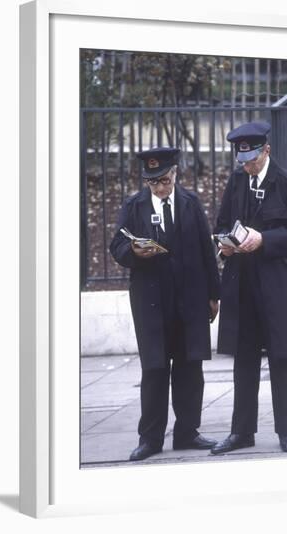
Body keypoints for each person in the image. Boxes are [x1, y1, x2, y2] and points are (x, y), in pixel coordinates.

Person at [110, 147, 220, 461]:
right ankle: (151, 438)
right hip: (152, 302)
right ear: (146, 182)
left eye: (165, 180)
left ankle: (188, 432)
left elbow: (205, 250)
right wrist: (134, 253)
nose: (160, 187)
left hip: (188, 300)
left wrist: (214, 295)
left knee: (189, 367)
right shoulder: (134, 206)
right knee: (155, 369)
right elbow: (117, 244)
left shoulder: (190, 203)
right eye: (153, 182)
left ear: (175, 174)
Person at [210, 121, 287, 455]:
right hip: (243, 283)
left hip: (277, 283)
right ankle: (242, 432)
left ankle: (286, 430)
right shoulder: (238, 180)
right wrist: (225, 243)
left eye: (252, 160)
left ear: (266, 150)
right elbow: (223, 222)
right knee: (244, 358)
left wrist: (264, 239)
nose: (247, 166)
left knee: (279, 357)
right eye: (242, 161)